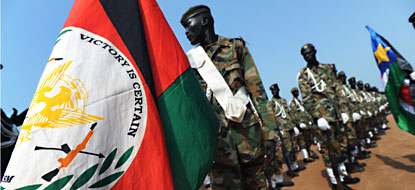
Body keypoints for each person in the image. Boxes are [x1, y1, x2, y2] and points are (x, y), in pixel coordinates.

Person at [181, 5, 279, 189]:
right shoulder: (190, 63)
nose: (186, 32)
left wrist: (270, 135)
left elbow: (257, 92)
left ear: (204, 21)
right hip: (219, 149)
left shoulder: (235, 47)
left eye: (188, 25)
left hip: (249, 138)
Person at [297, 43, 359, 190]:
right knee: (328, 150)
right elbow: (306, 99)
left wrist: (343, 110)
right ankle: (336, 182)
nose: (308, 56)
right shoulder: (304, 75)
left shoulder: (326, 68)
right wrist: (318, 117)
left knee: (341, 147)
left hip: (336, 115)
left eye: (309, 52)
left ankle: (344, 175)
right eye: (304, 54)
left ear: (315, 52)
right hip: (324, 119)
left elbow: (338, 89)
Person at [288, 87, 319, 163]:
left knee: (309, 139)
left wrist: (309, 120)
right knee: (302, 142)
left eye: (297, 91)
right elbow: (293, 114)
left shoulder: (299, 101)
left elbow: (305, 112)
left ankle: (309, 154)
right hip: (300, 125)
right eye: (295, 92)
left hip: (306, 124)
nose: (296, 93)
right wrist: (299, 123)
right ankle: (305, 158)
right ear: (292, 93)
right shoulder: (293, 102)